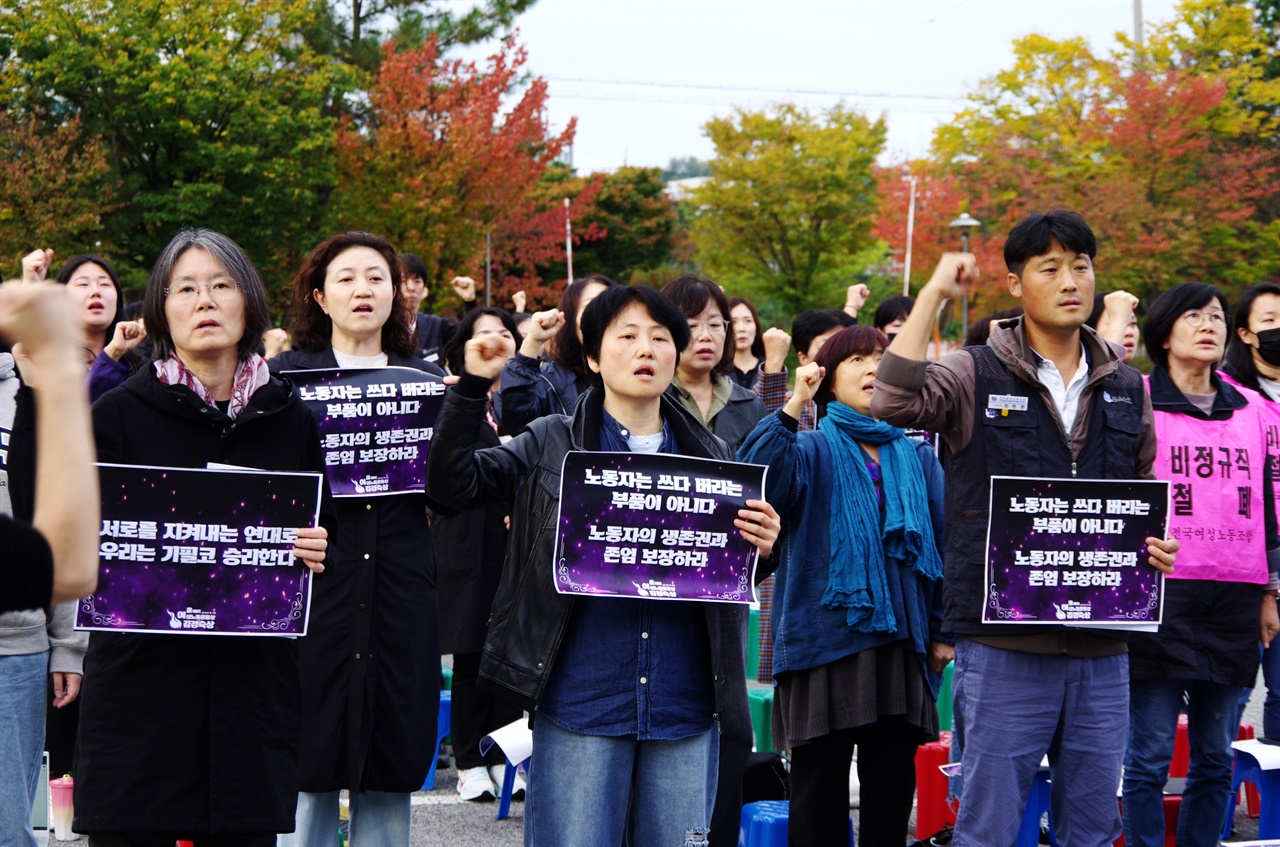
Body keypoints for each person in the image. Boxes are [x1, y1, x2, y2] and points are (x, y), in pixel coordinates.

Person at [426, 284, 781, 846]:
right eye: (628, 336)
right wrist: (471, 388)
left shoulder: (712, 458)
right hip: (580, 699)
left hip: (684, 705)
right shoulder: (550, 442)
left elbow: (725, 579)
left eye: (661, 338)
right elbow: (450, 488)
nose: (647, 349)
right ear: (593, 356)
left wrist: (763, 548)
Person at [870, 210, 1179, 846]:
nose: (1071, 280)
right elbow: (893, 402)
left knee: (1093, 828)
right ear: (1016, 284)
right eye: (1050, 268)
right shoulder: (972, 370)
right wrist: (932, 291)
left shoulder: (1127, 385)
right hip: (1004, 647)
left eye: (1081, 266)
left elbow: (1142, 494)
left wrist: (1156, 547)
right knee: (987, 827)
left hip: (1104, 647)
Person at [74, 228, 332, 847]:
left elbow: (326, 540)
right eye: (184, 288)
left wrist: (318, 548)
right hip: (143, 705)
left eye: (221, 285)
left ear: (249, 302)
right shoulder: (115, 418)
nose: (205, 301)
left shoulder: (290, 420)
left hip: (251, 700)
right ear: (161, 308)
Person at [739, 325, 950, 846]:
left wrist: (943, 632)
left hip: (901, 644)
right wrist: (794, 401)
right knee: (817, 800)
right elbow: (756, 476)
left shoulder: (919, 456)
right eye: (856, 359)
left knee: (890, 799)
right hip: (822, 646)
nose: (873, 367)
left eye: (882, 357)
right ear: (829, 378)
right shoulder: (807, 449)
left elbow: (948, 547)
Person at [269, 231, 442, 846]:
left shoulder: (424, 382)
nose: (362, 289)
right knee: (306, 756)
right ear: (319, 296)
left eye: (377, 276)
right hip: (313, 582)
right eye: (345, 278)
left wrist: (464, 409)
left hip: (399, 579)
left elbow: (452, 489)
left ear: (399, 293)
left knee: (390, 753)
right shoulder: (281, 381)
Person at [1120, 283, 1280, 847]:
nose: (1209, 325)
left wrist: (1269, 591)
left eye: (1215, 316)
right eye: (1193, 317)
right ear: (1164, 335)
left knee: (1215, 756)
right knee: (1149, 754)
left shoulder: (1255, 410)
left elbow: (1267, 503)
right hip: (1160, 594)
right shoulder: (1136, 402)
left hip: (1235, 597)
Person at [0, 281, 99, 847]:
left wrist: (68, 643)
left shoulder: (21, 390)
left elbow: (61, 557)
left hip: (16, 647)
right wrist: (61, 364)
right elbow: (70, 560)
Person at [436, 307, 525, 802]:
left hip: (512, 540)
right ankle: (470, 758)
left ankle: (505, 756)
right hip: (466, 536)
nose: (496, 339)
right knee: (471, 652)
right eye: (483, 332)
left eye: (503, 332)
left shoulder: (518, 396)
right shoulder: (454, 396)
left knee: (510, 651)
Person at [1222, 282, 1280, 742]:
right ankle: (1216, 805)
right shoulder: (1227, 395)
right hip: (1244, 557)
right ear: (1244, 333)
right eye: (1270, 321)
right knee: (1233, 688)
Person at [497, 274, 617, 435]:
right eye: (592, 305)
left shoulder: (641, 370)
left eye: (613, 306)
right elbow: (516, 422)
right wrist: (533, 342)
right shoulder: (549, 381)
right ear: (569, 318)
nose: (605, 314)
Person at [662, 276, 767, 453]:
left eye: (715, 324)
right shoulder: (648, 400)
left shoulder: (751, 406)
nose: (706, 335)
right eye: (692, 325)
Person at [753, 309, 857, 433]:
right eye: (827, 345)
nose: (838, 353)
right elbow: (768, 437)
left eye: (845, 347)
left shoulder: (863, 399)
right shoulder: (794, 405)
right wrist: (773, 364)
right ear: (804, 358)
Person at [399, 252, 478, 364]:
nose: (411, 288)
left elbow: (473, 345)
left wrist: (470, 302)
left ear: (425, 290)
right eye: (403, 280)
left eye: (417, 281)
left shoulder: (439, 327)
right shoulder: (379, 329)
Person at [1085, 291, 1142, 363]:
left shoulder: (1135, 374)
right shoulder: (1080, 373)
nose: (1129, 333)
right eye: (1116, 322)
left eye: (1133, 323)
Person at [728, 296, 765, 389]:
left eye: (748, 321)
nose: (741, 329)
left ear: (756, 327)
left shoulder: (769, 368)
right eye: (733, 322)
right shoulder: (715, 371)